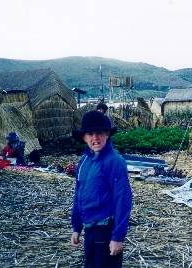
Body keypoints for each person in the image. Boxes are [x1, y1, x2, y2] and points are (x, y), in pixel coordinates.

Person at [71, 110, 132, 268]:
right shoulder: (84, 161)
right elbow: (78, 195)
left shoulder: (115, 162)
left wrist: (117, 237)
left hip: (106, 230)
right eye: (90, 134)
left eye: (99, 133)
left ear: (107, 134)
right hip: (89, 229)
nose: (95, 138)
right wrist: (76, 227)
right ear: (84, 137)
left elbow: (123, 200)